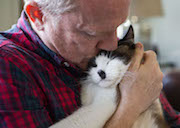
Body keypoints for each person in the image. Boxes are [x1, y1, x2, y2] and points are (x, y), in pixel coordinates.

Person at [0, 0, 179, 127]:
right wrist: (130, 107)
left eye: (117, 26)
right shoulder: (7, 66)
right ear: (38, 16)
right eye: (90, 33)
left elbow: (172, 121)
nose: (111, 44)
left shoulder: (113, 45)